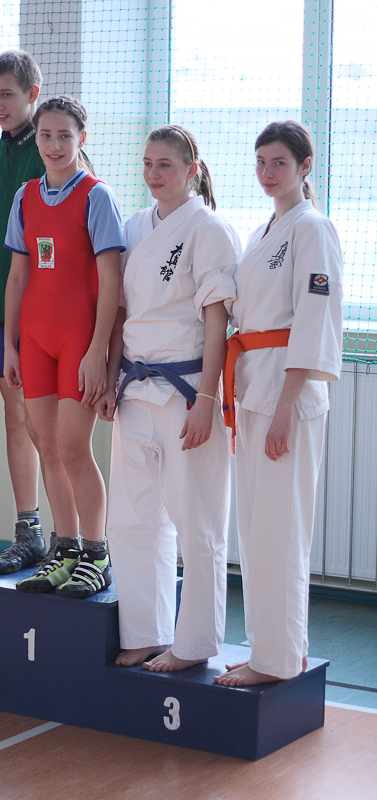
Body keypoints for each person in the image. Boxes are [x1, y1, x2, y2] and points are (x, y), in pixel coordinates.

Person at [96, 125, 241, 670]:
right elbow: (120, 312)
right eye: (148, 164)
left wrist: (207, 398)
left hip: (187, 392)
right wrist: (110, 378)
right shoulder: (135, 226)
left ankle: (195, 643)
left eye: (166, 165)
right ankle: (146, 632)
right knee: (131, 519)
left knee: (196, 522)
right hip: (134, 387)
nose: (154, 174)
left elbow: (218, 322)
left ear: (191, 170)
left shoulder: (209, 229)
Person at [214, 121, 343, 687]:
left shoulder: (313, 228)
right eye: (261, 162)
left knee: (282, 529)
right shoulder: (263, 230)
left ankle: (280, 660)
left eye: (280, 163)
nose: (267, 173)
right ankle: (270, 650)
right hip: (253, 388)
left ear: (305, 167)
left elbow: (314, 320)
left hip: (287, 395)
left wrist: (287, 405)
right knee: (256, 529)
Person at [4, 95, 124, 598]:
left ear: (82, 138)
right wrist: (11, 345)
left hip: (79, 338)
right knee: (47, 446)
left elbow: (112, 281)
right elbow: (18, 275)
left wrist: (98, 351)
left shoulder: (97, 196)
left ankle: (98, 554)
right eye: (45, 135)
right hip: (34, 338)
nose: (54, 145)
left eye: (64, 136)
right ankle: (66, 548)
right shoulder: (25, 195)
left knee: (74, 450)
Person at [0, 50, 52, 576]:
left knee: (52, 427)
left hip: (46, 313)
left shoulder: (51, 152)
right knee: (17, 417)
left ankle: (74, 539)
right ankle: (30, 532)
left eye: (6, 94)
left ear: (32, 94)